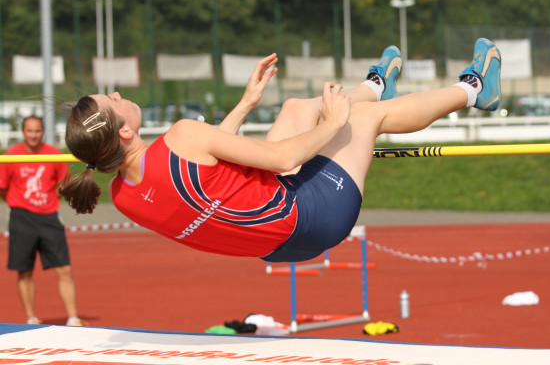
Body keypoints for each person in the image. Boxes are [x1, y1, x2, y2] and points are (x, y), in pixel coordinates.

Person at [60, 38, 501, 263]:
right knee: (365, 119)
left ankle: (374, 85)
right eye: (112, 101)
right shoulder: (180, 135)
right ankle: (475, 89)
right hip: (313, 217)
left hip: (274, 245)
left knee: (295, 108)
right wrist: (334, 123)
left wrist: (246, 104)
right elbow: (286, 160)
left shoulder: (122, 195)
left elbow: (206, 170)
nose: (117, 94)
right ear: (123, 132)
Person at [0, 116, 87, 325]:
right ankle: (31, 318)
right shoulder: (10, 156)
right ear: (23, 132)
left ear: (43, 132)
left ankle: (73, 317)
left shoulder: (54, 154)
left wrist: (48, 199)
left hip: (49, 217)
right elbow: (2, 187)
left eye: (37, 131)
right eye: (30, 131)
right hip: (21, 217)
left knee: (64, 268)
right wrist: (17, 201)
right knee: (24, 271)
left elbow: (63, 184)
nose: (33, 135)